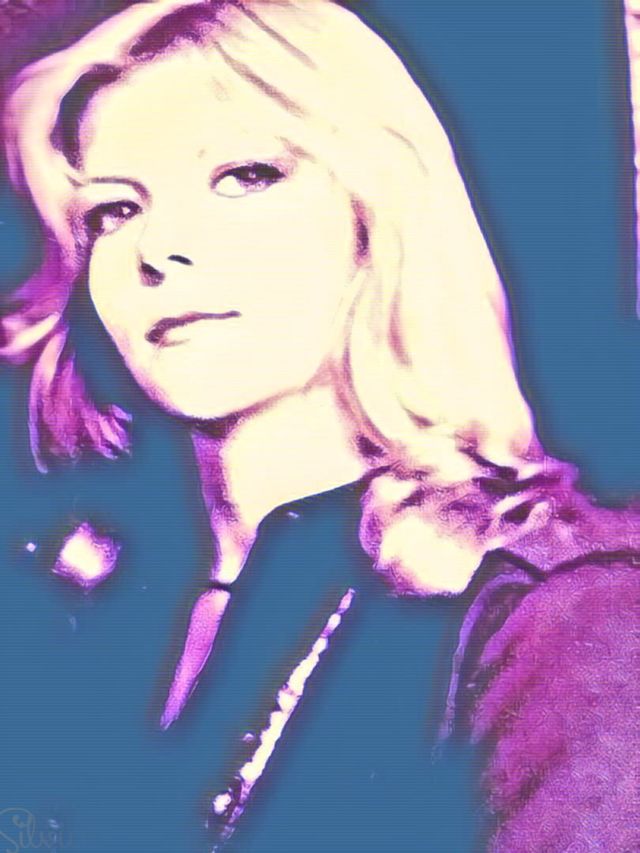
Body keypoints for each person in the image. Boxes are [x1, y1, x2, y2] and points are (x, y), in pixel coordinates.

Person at [0, 1, 638, 851]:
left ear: (377, 217)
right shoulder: (70, 584)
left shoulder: (562, 606)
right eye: (114, 210)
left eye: (244, 175)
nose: (159, 248)